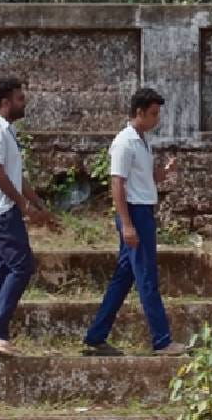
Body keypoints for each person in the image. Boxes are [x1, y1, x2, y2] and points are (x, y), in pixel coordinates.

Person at [82, 88, 189, 356]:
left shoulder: (142, 141)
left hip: (142, 211)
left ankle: (96, 335)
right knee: (146, 276)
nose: (156, 119)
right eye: (153, 114)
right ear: (139, 112)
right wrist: (127, 224)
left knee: (124, 277)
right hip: (135, 214)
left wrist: (164, 173)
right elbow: (117, 184)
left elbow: (144, 177)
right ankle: (161, 340)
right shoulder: (124, 142)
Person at [0, 76, 59, 356]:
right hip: (0, 210)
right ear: (5, 102)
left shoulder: (6, 131)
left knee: (0, 273)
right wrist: (23, 206)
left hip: (4, 209)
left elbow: (15, 176)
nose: (25, 103)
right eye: (19, 98)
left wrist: (37, 203)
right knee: (22, 266)